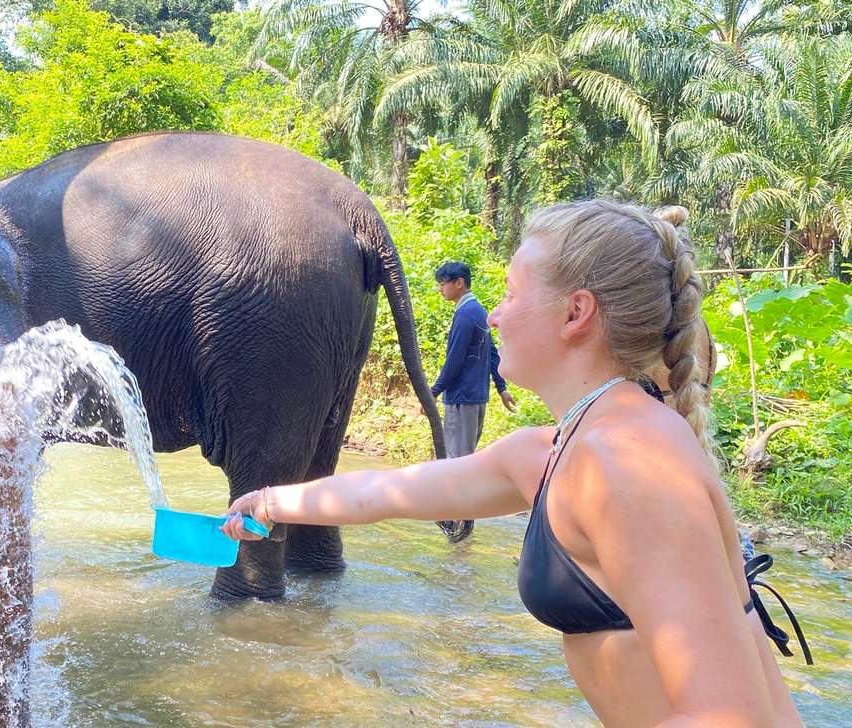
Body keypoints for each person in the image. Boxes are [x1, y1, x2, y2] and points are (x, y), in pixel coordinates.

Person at [224, 201, 807, 726]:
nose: (495, 316)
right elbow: (392, 492)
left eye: (509, 292)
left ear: (576, 312)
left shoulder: (625, 462)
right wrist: (272, 503)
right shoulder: (560, 445)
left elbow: (730, 717)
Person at [431, 261, 516, 542]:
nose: (441, 289)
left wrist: (433, 392)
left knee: (458, 462)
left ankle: (460, 527)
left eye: (444, 283)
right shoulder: (477, 311)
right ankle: (461, 525)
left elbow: (453, 361)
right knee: (464, 459)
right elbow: (492, 353)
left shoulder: (466, 314)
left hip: (461, 399)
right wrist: (501, 388)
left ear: (459, 283)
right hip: (477, 397)